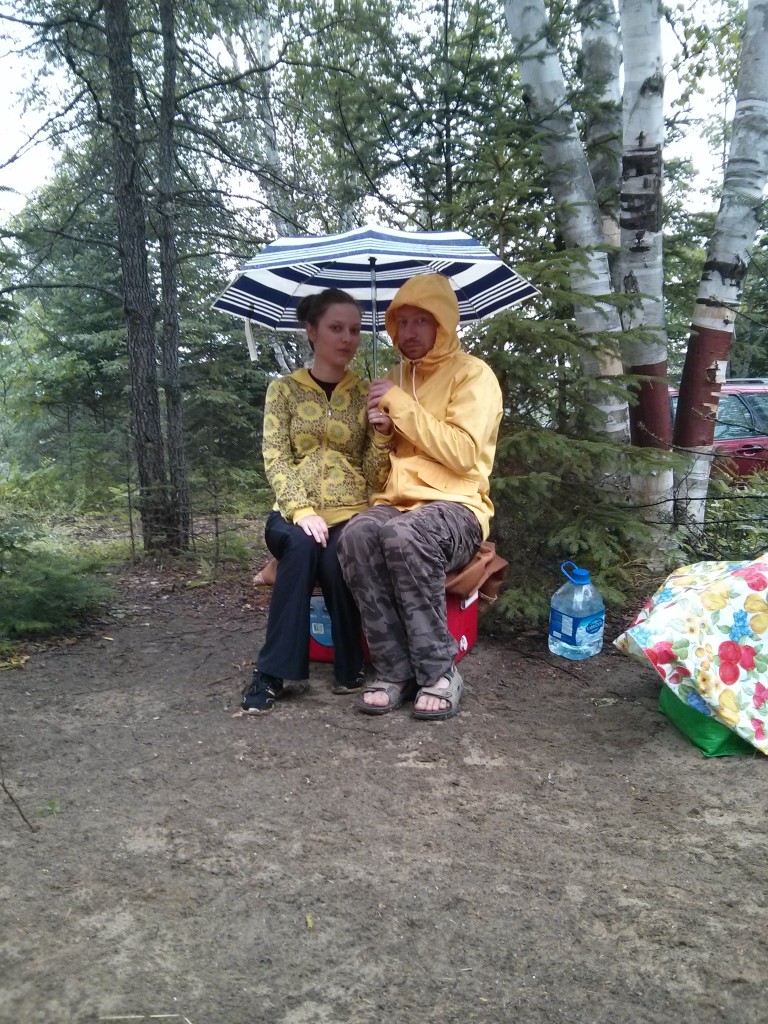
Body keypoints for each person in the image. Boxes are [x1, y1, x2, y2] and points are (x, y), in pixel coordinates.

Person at [337, 272, 503, 720]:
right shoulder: (394, 378)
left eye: (421, 321)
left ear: (443, 323)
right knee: (357, 534)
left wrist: (402, 407)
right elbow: (381, 472)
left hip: (458, 507)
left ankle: (438, 672)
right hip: (397, 503)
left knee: (406, 535)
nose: (408, 333)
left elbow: (463, 454)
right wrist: (382, 433)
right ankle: (393, 670)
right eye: (402, 322)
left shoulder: (473, 376)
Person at [241, 288, 393, 714]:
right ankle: (272, 672)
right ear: (311, 331)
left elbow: (375, 474)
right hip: (292, 514)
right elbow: (275, 457)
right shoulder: (284, 390)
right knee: (304, 544)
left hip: (350, 513)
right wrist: (302, 511)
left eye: (355, 330)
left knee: (337, 556)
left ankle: (350, 665)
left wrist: (382, 434)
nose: (347, 338)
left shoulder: (367, 393)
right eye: (336, 328)